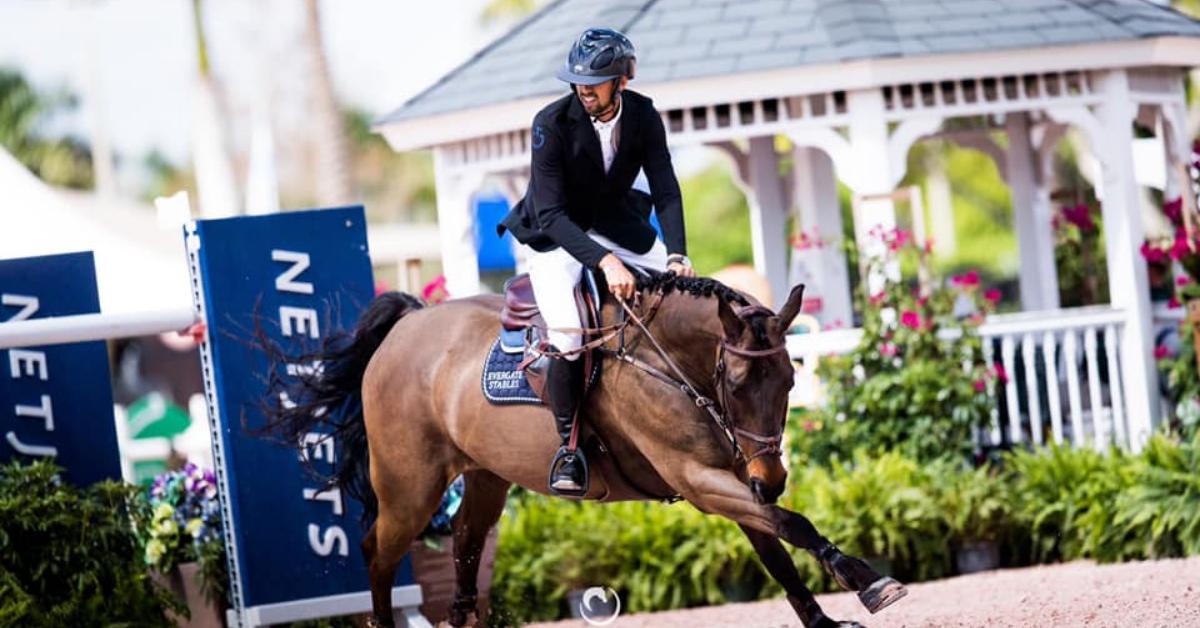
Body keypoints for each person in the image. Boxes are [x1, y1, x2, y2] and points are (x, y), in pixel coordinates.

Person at [498, 27, 695, 494]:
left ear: (622, 81)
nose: (584, 89)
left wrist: (677, 253)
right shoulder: (551, 122)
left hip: (614, 222)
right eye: (579, 81)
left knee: (685, 292)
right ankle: (569, 450)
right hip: (554, 234)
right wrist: (605, 262)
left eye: (596, 81)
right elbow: (549, 211)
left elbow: (665, 187)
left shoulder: (644, 115)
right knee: (566, 330)